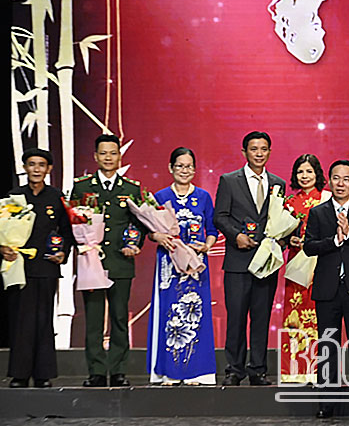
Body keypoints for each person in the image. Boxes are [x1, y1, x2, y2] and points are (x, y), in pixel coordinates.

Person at [303, 159, 349, 419]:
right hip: (327, 289)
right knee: (328, 345)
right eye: (336, 178)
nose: (341, 183)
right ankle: (327, 402)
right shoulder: (318, 213)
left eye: (346, 179)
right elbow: (309, 247)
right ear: (330, 180)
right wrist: (334, 241)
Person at [71, 133, 146, 388]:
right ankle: (96, 371)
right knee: (93, 319)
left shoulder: (131, 188)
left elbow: (139, 223)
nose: (108, 158)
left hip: (120, 261)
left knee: (119, 318)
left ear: (119, 156)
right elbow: (73, 221)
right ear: (95, 156)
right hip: (91, 261)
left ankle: (117, 371)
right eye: (103, 153)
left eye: (113, 153)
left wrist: (134, 244)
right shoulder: (82, 187)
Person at [213, 131, 286, 386]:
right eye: (254, 149)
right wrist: (236, 236)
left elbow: (280, 219)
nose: (259, 153)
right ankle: (234, 369)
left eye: (263, 149)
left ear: (269, 152)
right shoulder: (229, 181)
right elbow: (219, 216)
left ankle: (258, 370)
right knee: (236, 317)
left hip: (266, 263)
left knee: (261, 317)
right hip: (238, 261)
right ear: (244, 152)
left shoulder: (278, 183)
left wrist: (282, 240)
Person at [147, 147, 219, 385]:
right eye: (179, 166)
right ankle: (168, 372)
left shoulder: (204, 197)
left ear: (195, 169)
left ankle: (196, 373)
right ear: (170, 168)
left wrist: (207, 245)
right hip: (169, 264)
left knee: (195, 314)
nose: (184, 170)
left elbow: (212, 229)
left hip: (196, 266)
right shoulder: (160, 197)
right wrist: (158, 236)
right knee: (169, 314)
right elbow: (149, 231)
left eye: (189, 166)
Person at [2, 148, 72, 388]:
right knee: (21, 321)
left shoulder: (56, 197)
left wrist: (63, 252)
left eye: (41, 165)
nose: (36, 169)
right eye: (32, 164)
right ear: (25, 168)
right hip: (19, 266)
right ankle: (19, 375)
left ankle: (43, 375)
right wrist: (3, 248)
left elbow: (67, 231)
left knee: (43, 321)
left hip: (46, 267)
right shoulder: (14, 196)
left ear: (49, 169)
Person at [280, 154, 331, 384]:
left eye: (309, 171)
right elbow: (281, 234)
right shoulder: (289, 203)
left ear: (317, 174)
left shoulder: (327, 199)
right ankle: (294, 370)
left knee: (321, 315)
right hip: (297, 265)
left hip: (322, 263)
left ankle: (320, 369)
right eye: (300, 172)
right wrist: (288, 240)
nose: (304, 176)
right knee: (295, 314)